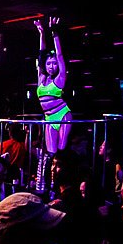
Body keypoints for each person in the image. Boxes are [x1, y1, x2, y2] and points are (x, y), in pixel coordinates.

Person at [34, 16, 71, 153]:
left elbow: (60, 55)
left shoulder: (60, 79)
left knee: (61, 151)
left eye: (54, 63)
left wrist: (54, 32)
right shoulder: (41, 78)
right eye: (49, 63)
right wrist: (42, 33)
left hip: (62, 114)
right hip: (49, 117)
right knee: (51, 153)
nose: (51, 66)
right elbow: (41, 54)